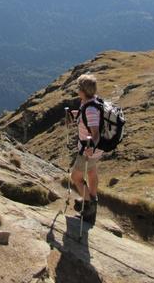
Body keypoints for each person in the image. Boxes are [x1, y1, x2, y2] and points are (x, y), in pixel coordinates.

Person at [69, 73, 103, 222]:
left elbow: (95, 132)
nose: (77, 90)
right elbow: (88, 118)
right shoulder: (93, 102)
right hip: (98, 150)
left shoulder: (90, 109)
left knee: (75, 177)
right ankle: (92, 199)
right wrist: (75, 114)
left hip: (88, 150)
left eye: (79, 87)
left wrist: (91, 147)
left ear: (83, 90)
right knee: (91, 172)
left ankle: (88, 205)